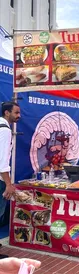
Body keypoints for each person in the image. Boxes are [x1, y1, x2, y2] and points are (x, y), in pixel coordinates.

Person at [0, 102, 21, 252]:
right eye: (16, 113)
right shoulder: (5, 130)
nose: (19, 116)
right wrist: (8, 184)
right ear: (7, 113)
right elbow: (2, 160)